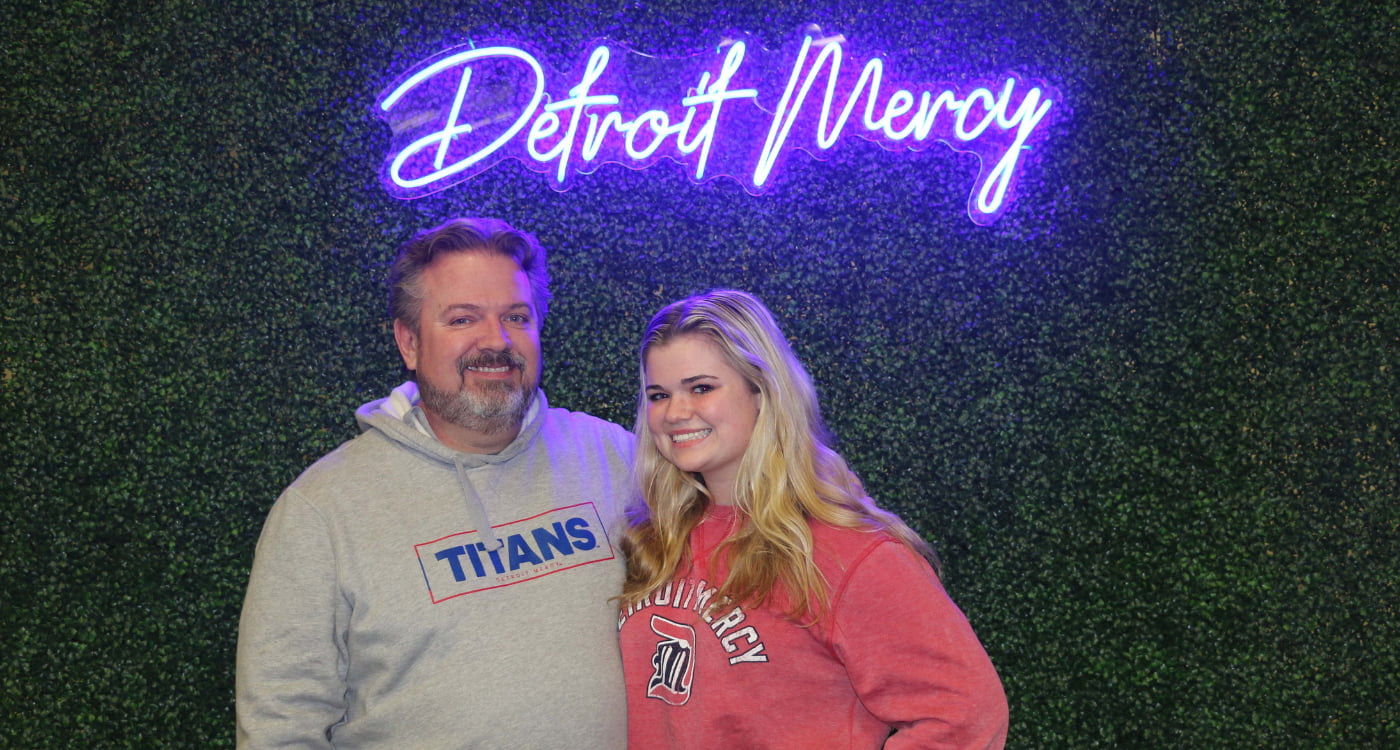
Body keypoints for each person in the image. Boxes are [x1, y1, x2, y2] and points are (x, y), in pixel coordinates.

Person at [236, 218, 633, 749]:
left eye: (516, 316)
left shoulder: (615, 458)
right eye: (463, 319)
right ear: (409, 342)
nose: (496, 341)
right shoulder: (321, 510)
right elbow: (280, 727)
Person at [616, 289, 1009, 749]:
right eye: (659, 395)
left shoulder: (844, 551)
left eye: (701, 387)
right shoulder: (657, 540)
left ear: (761, 392)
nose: (675, 413)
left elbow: (966, 713)